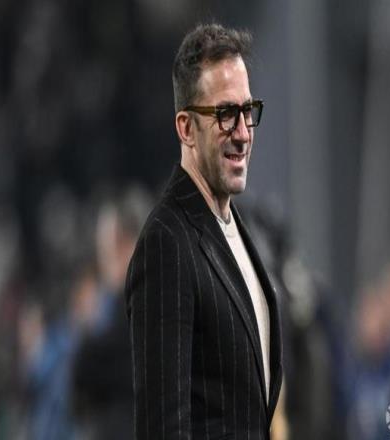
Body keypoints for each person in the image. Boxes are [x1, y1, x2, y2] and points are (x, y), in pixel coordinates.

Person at [124, 23, 283, 440]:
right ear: (186, 128)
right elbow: (162, 429)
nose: (243, 133)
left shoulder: (233, 227)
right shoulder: (166, 243)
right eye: (226, 114)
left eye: (248, 111)